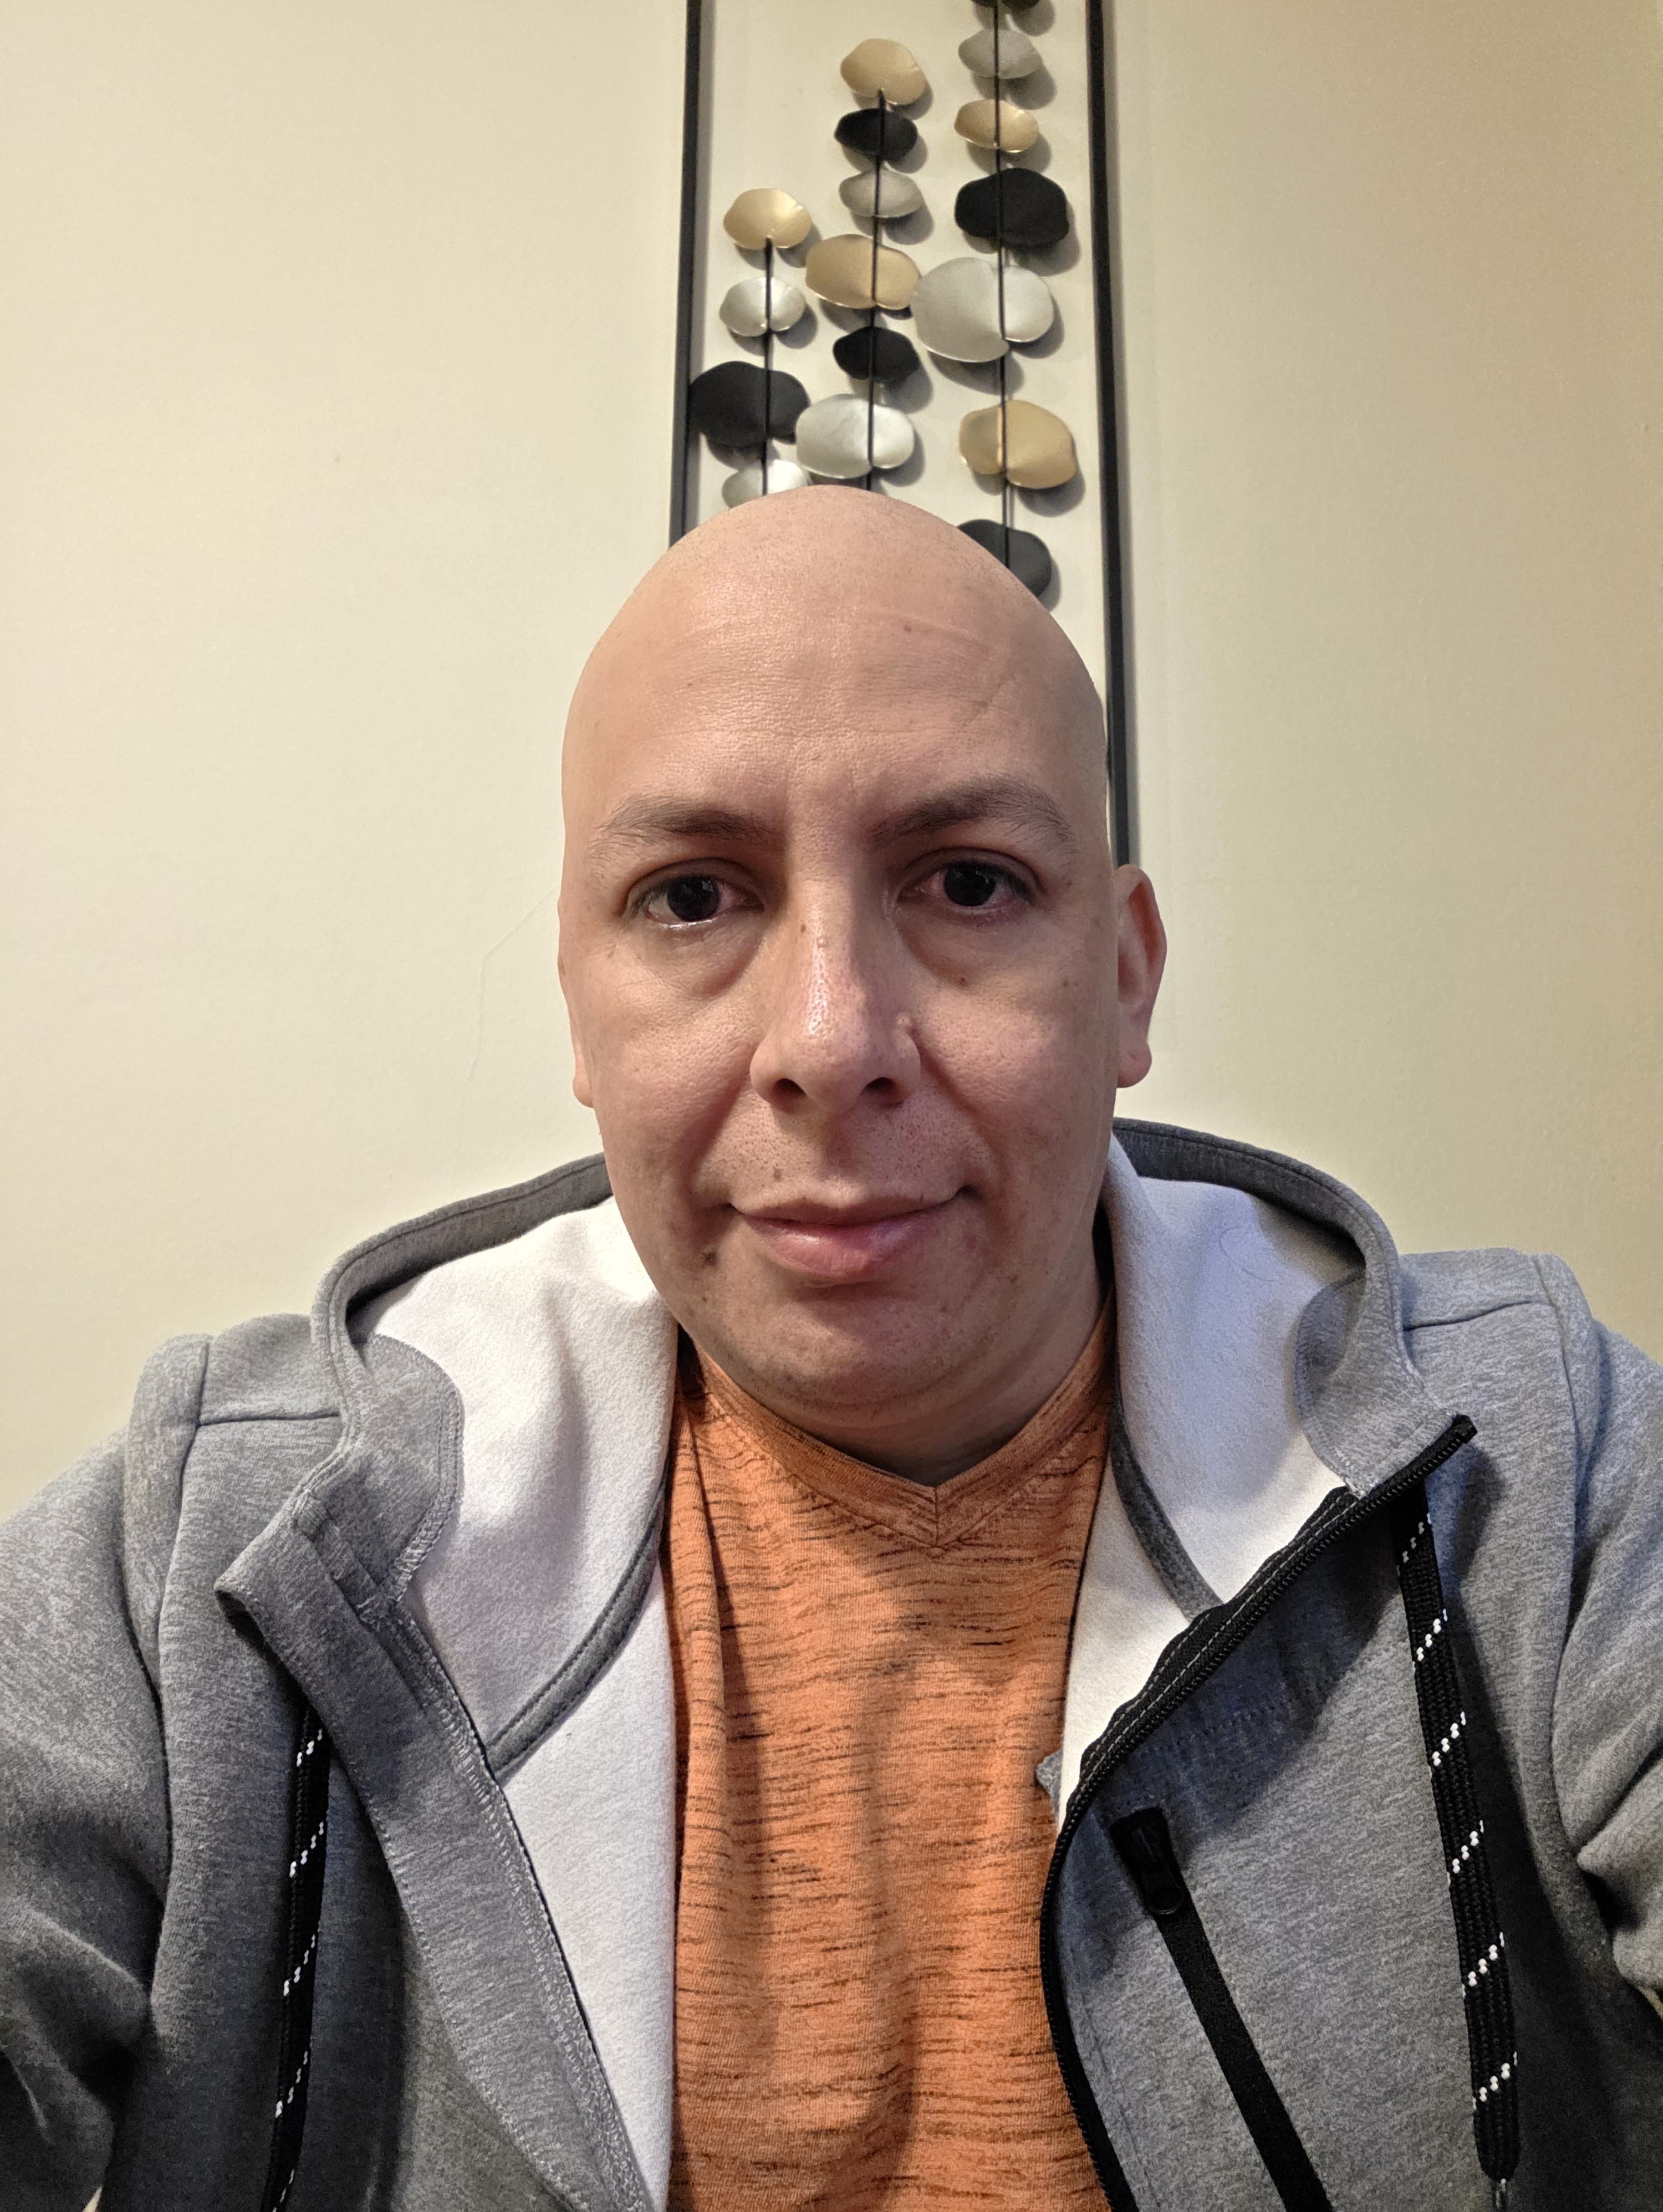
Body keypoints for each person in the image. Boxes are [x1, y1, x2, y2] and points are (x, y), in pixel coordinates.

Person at [1, 492, 1658, 2212]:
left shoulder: (1535, 1466)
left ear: (1126, 976)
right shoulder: (229, 1541)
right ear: (579, 1004)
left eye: (968, 881)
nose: (829, 1038)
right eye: (692, 895)